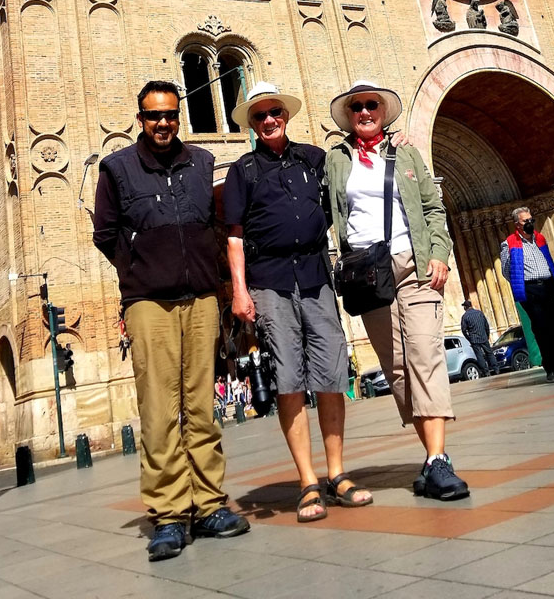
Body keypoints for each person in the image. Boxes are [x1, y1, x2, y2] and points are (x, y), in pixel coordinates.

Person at [93, 80, 250, 561]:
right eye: (152, 115)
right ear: (140, 119)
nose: (162, 122)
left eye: (169, 114)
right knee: (160, 411)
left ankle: (208, 505)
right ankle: (167, 514)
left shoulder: (202, 163)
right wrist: (141, 268)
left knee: (203, 407)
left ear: (177, 115)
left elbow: (212, 224)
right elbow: (105, 233)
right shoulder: (117, 168)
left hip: (201, 298)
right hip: (150, 303)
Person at [225, 82, 372, 523]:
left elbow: (347, 190)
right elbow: (234, 236)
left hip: (315, 277)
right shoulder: (243, 171)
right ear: (251, 123)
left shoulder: (313, 158)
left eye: (275, 113)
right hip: (269, 282)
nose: (269, 120)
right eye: (259, 116)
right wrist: (239, 290)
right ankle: (308, 481)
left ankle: (338, 474)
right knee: (288, 379)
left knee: (330, 373)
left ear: (285, 116)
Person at [325, 80, 469, 502]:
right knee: (398, 367)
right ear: (349, 117)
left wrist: (440, 253)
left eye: (373, 105)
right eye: (358, 108)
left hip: (415, 263)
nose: (366, 112)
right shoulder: (335, 159)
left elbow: (432, 206)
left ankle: (440, 459)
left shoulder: (406, 151)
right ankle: (430, 460)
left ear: (384, 112)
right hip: (368, 273)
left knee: (426, 354)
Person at [500, 207, 554, 382]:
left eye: (531, 220)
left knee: (553, 326)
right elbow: (506, 270)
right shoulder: (509, 243)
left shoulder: (540, 239)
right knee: (541, 328)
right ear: (517, 225)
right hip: (530, 290)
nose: (529, 223)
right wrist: (520, 282)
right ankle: (549, 369)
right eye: (525, 221)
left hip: (548, 286)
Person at [460, 301, 498, 376]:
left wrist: (469, 338)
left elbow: (464, 330)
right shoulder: (479, 313)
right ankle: (496, 369)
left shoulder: (465, 316)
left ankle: (486, 372)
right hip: (484, 337)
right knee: (490, 353)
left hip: (474, 339)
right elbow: (486, 325)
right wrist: (487, 335)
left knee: (479, 355)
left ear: (465, 307)